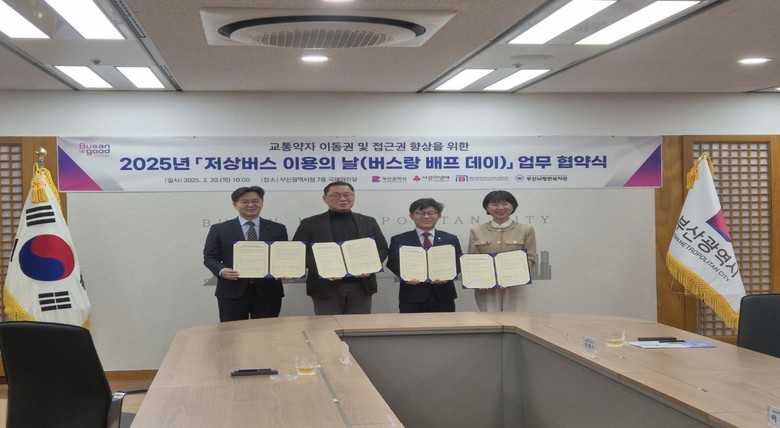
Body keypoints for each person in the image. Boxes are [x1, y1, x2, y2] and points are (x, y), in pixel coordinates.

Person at [293, 181, 388, 315]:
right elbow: (299, 251)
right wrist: (323, 270)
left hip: (361, 285)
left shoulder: (368, 221)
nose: (343, 199)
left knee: (359, 325)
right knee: (327, 325)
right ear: (324, 198)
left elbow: (382, 248)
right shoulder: (309, 223)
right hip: (325, 286)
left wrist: (370, 267)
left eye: (347, 194)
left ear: (354, 196)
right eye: (336, 195)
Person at [203, 186, 288, 322]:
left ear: (262, 203)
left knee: (266, 331)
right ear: (235, 205)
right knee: (232, 332)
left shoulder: (278, 229)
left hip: (268, 292)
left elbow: (283, 256)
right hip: (231, 291)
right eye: (244, 201)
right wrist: (222, 271)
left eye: (255, 201)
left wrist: (286, 270)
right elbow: (210, 257)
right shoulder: (219, 229)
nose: (251, 205)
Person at [387, 198, 462, 313]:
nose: (426, 216)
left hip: (443, 294)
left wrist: (447, 275)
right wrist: (406, 276)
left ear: (439, 215)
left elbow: (458, 262)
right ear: (411, 216)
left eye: (431, 213)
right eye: (420, 213)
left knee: (444, 324)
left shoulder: (450, 239)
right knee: (412, 324)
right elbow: (393, 262)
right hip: (412, 295)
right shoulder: (399, 239)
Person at [468, 190, 537, 312]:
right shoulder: (476, 230)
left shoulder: (526, 229)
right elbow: (473, 259)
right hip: (487, 287)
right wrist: (480, 280)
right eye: (494, 204)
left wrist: (511, 278)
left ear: (513, 206)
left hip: (515, 287)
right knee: (489, 320)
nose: (500, 208)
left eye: (505, 204)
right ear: (487, 207)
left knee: (515, 320)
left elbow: (530, 258)